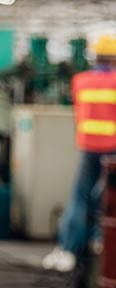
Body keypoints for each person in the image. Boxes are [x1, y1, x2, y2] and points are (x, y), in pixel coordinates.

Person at [43, 35, 116, 273]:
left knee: (79, 198)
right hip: (113, 150)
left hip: (88, 147)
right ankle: (100, 245)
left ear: (94, 56)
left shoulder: (80, 80)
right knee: (107, 202)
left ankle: (68, 250)